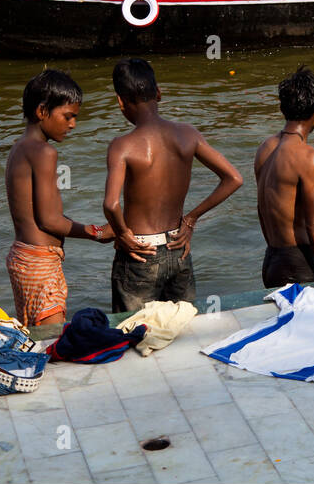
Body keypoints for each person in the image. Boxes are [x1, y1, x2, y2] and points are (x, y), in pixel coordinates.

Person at [104, 58, 243, 312]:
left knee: (134, 333)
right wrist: (190, 219)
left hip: (139, 253)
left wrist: (123, 233)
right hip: (177, 246)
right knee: (183, 327)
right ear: (159, 93)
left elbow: (111, 204)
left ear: (120, 101)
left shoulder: (122, 146)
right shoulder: (188, 134)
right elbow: (234, 178)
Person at [4, 70, 113, 326]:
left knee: (35, 339)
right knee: (52, 344)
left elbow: (43, 214)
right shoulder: (44, 152)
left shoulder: (19, 148)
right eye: (68, 116)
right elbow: (49, 220)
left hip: (23, 257)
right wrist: (96, 232)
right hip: (40, 264)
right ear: (42, 111)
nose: (73, 124)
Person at [255, 66, 314, 286]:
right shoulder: (309, 157)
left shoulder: (265, 148)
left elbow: (262, 212)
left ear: (282, 108)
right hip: (296, 265)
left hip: (272, 260)